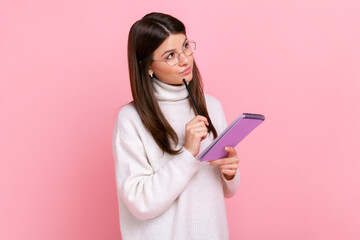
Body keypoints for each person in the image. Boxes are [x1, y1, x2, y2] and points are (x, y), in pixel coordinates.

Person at [112, 12, 240, 240]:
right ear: (148, 66)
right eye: (170, 55)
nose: (184, 60)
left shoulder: (211, 106)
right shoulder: (131, 118)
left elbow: (225, 191)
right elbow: (140, 203)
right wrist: (188, 154)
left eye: (185, 46)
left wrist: (230, 172)